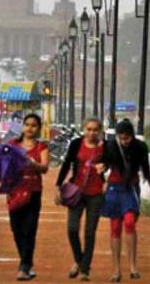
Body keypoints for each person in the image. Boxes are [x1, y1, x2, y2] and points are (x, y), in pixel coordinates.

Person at [98, 119, 150, 282]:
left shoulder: (140, 147)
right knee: (115, 226)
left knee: (130, 222)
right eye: (121, 138)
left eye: (127, 138)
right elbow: (102, 165)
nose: (124, 141)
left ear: (132, 136)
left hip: (131, 188)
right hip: (114, 188)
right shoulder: (110, 146)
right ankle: (116, 269)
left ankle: (133, 266)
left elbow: (146, 170)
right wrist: (101, 176)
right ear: (117, 136)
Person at [55, 118, 105, 281]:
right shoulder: (76, 144)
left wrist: (106, 170)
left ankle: (84, 269)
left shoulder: (106, 147)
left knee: (90, 232)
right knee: (72, 228)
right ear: (84, 129)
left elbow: (113, 164)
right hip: (77, 191)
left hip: (96, 193)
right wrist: (58, 185)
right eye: (88, 129)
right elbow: (67, 163)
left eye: (95, 130)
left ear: (100, 131)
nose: (91, 133)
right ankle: (78, 259)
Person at [8, 114, 49, 281]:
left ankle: (24, 267)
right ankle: (27, 263)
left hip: (33, 191)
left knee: (29, 230)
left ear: (38, 128)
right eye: (27, 124)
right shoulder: (12, 145)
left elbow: (45, 168)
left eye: (33, 125)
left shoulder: (41, 147)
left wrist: (33, 164)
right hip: (15, 192)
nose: (30, 128)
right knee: (16, 229)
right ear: (22, 127)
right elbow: (1, 163)